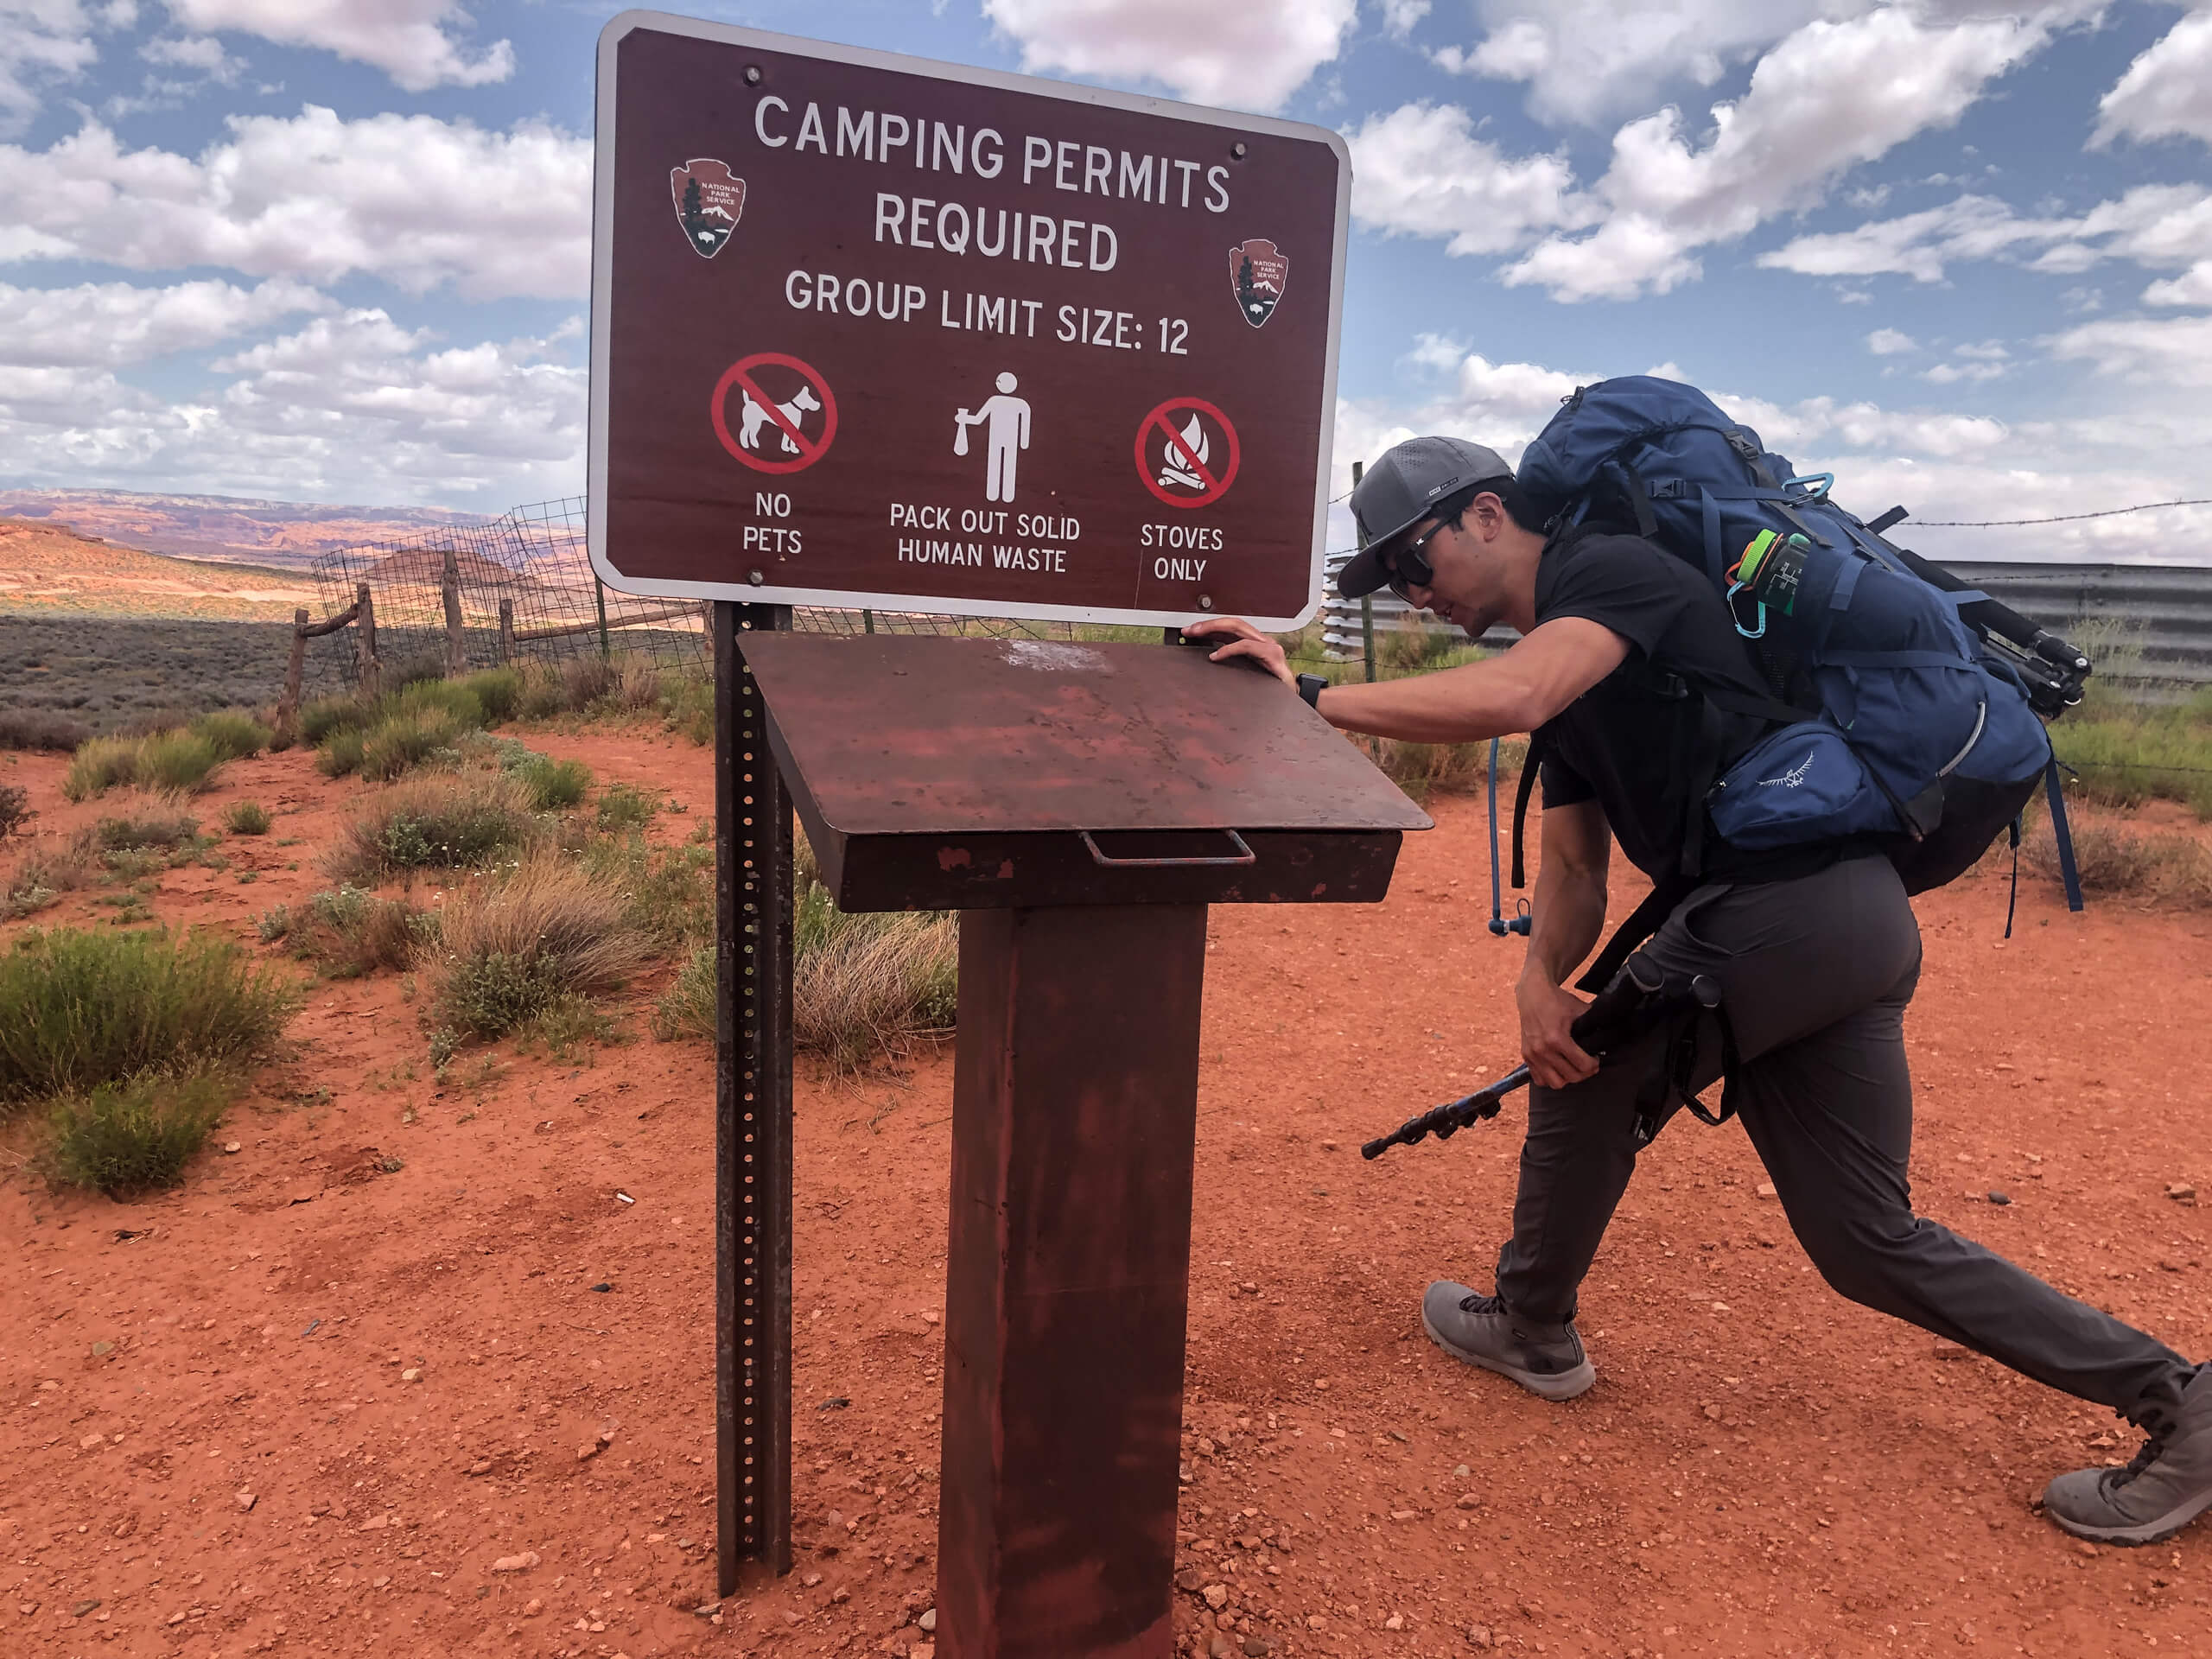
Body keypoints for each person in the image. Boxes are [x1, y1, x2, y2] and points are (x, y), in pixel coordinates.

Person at [1185, 435, 2212, 1548]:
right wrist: (1541, 980)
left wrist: (1315, 696)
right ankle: (2189, 1402)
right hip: (1844, 926)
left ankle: (1529, 1325)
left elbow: (1522, 693)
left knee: (1582, 1082)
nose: (1410, 591)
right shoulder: (1576, 672)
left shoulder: (1609, 573)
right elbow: (1575, 872)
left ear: (1487, 514)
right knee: (1866, 1237)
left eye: (1411, 559)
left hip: (1781, 911)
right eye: (1388, 580)